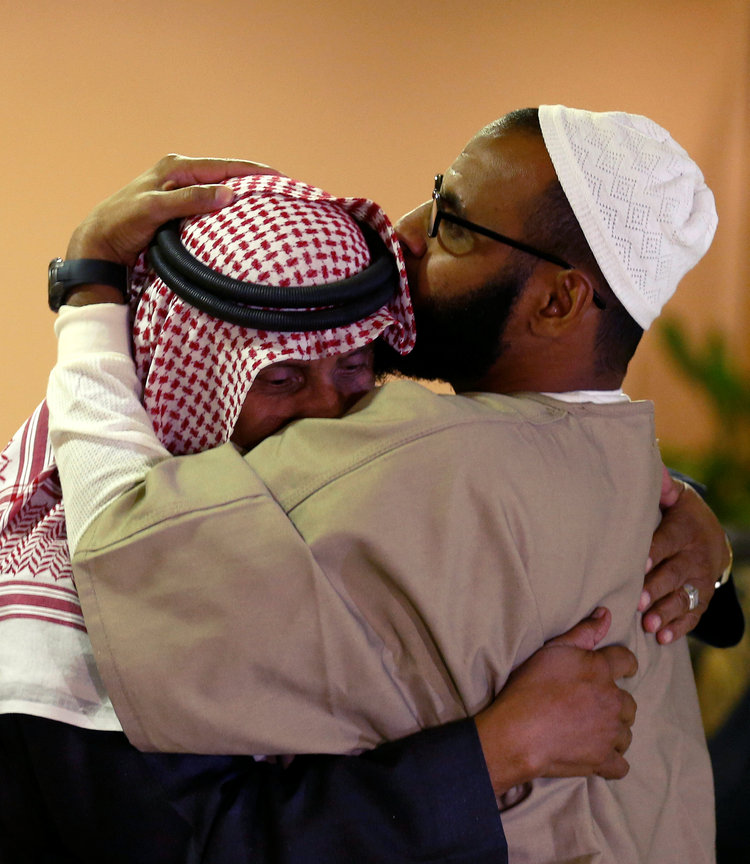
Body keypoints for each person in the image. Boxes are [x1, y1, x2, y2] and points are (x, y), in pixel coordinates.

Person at [47, 107, 734, 862]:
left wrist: (87, 292)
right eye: (279, 373)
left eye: (454, 223)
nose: (404, 233)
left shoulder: (404, 460)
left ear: (558, 301)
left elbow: (122, 533)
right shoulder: (633, 478)